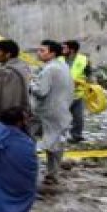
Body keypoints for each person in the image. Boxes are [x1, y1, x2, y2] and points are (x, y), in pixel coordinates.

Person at [30, 40, 73, 184]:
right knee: (56, 144)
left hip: (46, 111)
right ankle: (52, 175)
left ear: (52, 53)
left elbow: (41, 92)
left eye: (42, 50)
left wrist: (31, 84)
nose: (38, 53)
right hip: (61, 109)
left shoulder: (50, 69)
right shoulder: (63, 66)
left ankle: (26, 171)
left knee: (29, 139)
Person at [0, 40, 32, 126]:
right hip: (16, 119)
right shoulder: (21, 67)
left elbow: (1, 101)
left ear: (8, 54)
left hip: (5, 121)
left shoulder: (8, 73)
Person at [62, 39, 90, 143]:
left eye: (64, 48)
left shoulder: (83, 60)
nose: (62, 49)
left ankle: (76, 135)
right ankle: (59, 136)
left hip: (78, 93)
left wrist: (90, 85)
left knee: (78, 117)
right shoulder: (59, 59)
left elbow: (89, 74)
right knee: (59, 117)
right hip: (62, 94)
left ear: (72, 50)